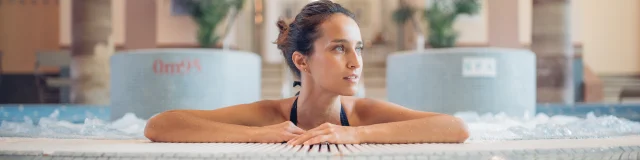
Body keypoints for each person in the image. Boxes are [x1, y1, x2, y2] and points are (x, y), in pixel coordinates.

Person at [144, 0, 469, 145]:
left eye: (358, 48)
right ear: (302, 61)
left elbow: (456, 128)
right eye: (339, 48)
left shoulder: (363, 114)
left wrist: (355, 134)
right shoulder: (270, 115)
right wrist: (256, 135)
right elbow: (159, 125)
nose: (356, 62)